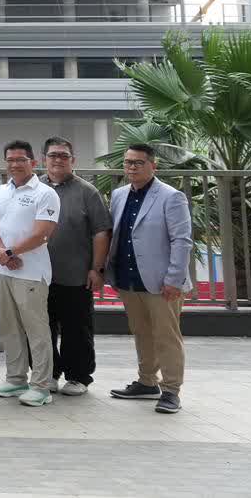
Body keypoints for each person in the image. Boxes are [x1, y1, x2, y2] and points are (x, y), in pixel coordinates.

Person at [106, 144, 193, 415]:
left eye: (138, 162)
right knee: (141, 332)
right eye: (128, 162)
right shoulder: (119, 195)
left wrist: (174, 279)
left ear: (153, 166)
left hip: (162, 282)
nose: (132, 167)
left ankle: (171, 391)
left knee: (166, 336)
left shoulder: (171, 196)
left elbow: (182, 240)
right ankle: (147, 382)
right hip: (128, 277)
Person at [0, 139, 62, 407]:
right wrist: (1, 252)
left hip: (31, 273)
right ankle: (16, 379)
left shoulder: (45, 193)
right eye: (10, 160)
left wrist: (10, 252)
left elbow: (42, 234)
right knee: (9, 328)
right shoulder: (0, 191)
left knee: (36, 330)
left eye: (20, 160)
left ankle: (41, 386)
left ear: (33, 162)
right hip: (2, 270)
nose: (15, 164)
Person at [41, 136, 111, 396]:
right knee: (42, 328)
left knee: (77, 328)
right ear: (44, 159)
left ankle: (78, 376)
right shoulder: (35, 188)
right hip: (39, 275)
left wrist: (97, 268)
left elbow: (101, 232)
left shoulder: (87, 192)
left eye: (64, 155)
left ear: (73, 160)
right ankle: (48, 373)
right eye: (53, 155)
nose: (58, 160)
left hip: (76, 275)